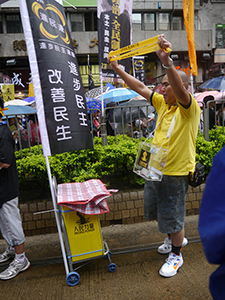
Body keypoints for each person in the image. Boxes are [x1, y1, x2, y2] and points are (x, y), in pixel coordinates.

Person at [110, 34, 201, 277]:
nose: (161, 88)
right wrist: (118, 70)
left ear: (181, 87)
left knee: (173, 214)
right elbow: (139, 87)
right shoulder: (162, 104)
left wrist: (167, 62)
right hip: (155, 169)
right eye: (161, 84)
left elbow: (180, 90)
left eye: (167, 84)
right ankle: (173, 240)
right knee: (160, 210)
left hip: (175, 173)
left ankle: (176, 256)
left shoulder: (190, 109)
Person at [0, 97, 30, 280]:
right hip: (2, 189)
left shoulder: (3, 132)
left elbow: (4, 162)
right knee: (5, 224)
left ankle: (21, 258)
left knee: (11, 222)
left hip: (6, 189)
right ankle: (12, 249)